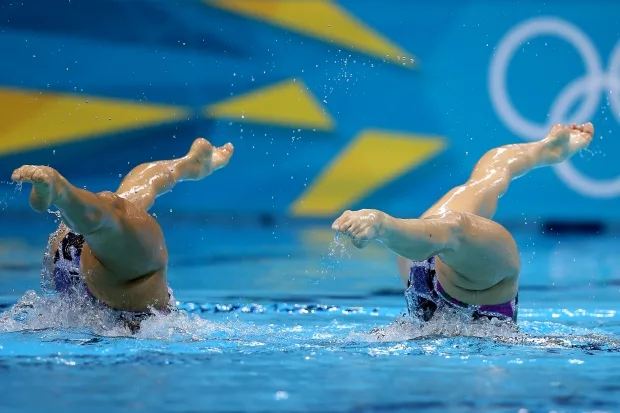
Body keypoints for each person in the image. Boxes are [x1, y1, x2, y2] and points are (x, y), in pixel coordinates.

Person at [332, 123, 594, 323]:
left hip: (435, 269)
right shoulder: (451, 244)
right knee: (479, 188)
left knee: (459, 216)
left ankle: (383, 225)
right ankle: (545, 149)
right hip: (423, 262)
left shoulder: (462, 249)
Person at [11, 138, 234, 330]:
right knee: (121, 204)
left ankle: (63, 194)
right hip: (96, 278)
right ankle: (62, 194)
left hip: (81, 264)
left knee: (123, 202)